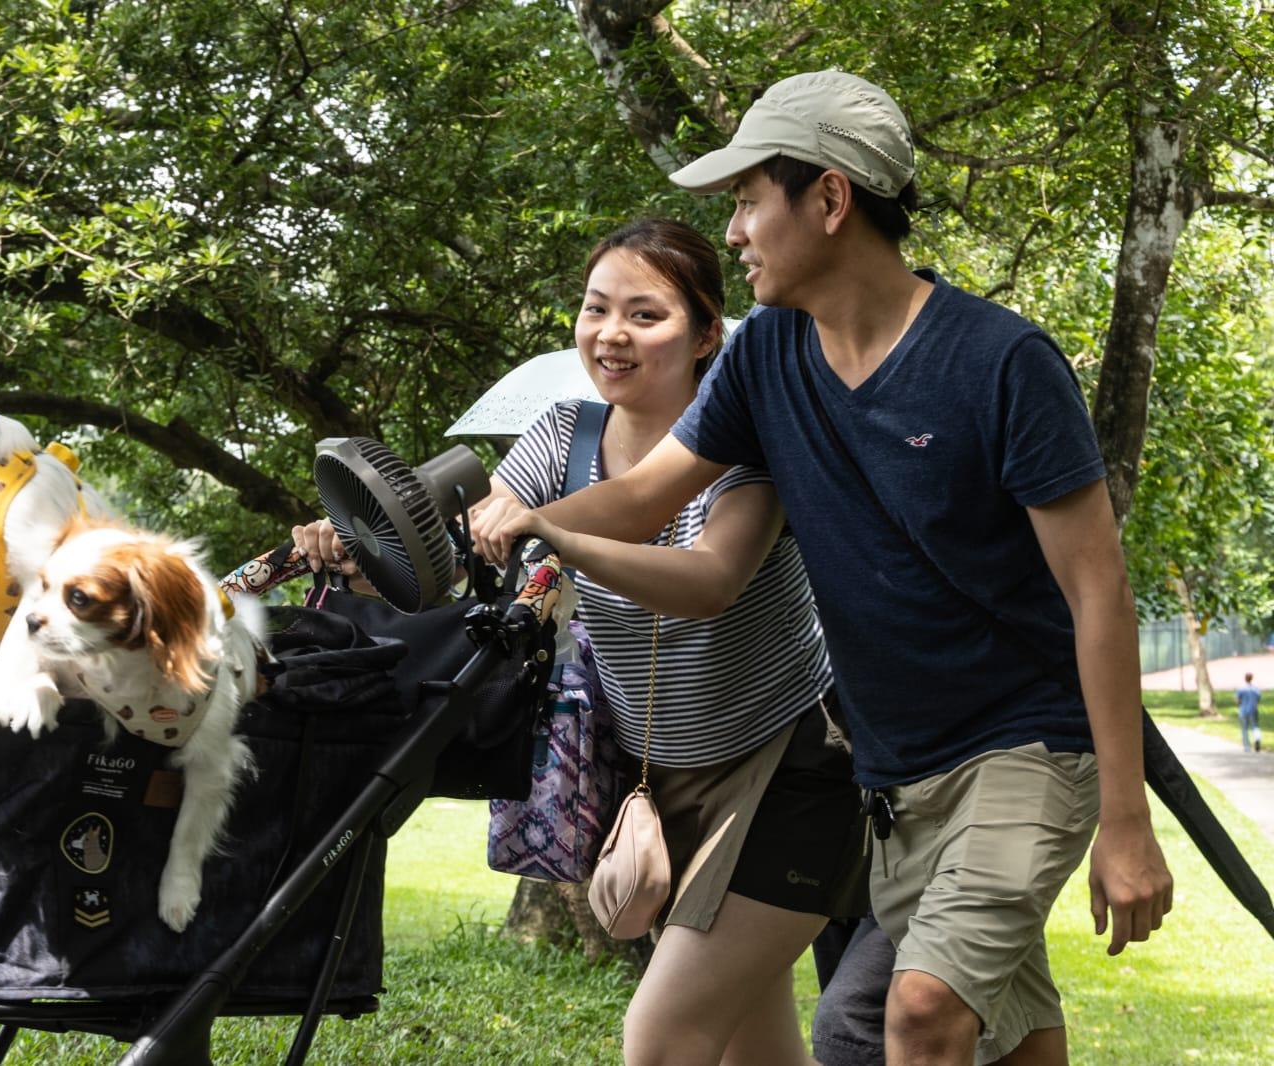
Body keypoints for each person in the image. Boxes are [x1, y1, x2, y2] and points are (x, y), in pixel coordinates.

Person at [488, 71, 1172, 1065]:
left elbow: (1097, 590)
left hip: (1027, 747)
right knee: (1015, 1034)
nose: (732, 234)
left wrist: (1124, 818)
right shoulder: (767, 357)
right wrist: (519, 521)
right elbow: (649, 496)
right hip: (896, 772)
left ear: (830, 198)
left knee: (920, 1011)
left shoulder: (1001, 363)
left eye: (747, 201)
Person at [297, 218, 866, 1066]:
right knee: (756, 1047)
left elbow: (712, 581)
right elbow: (455, 558)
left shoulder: (748, 445)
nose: (611, 334)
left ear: (708, 332)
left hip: (789, 770)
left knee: (661, 1036)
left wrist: (559, 536)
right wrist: (356, 550)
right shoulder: (563, 434)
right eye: (597, 309)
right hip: (654, 773)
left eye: (646, 315)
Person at [1236, 672, 1261, 753]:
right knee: (1255, 727)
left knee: (1244, 729)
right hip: (1253, 710)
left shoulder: (1241, 689)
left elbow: (1238, 701)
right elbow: (1258, 700)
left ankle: (1247, 747)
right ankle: (1257, 739)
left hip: (1243, 711)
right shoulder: (1256, 689)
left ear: (1245, 678)